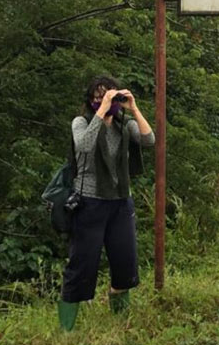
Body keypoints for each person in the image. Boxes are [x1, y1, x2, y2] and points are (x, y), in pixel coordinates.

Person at [58, 76, 155, 331]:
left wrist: (133, 107)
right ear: (90, 100)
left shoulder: (124, 125)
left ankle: (120, 323)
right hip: (89, 203)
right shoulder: (82, 122)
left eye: (108, 95)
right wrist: (102, 111)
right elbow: (84, 146)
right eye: (97, 96)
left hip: (121, 202)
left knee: (125, 262)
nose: (102, 100)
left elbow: (149, 140)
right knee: (82, 265)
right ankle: (67, 330)